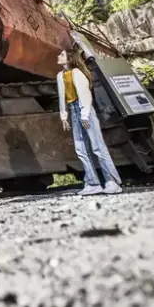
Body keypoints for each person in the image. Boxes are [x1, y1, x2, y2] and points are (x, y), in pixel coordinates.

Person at [57, 48, 123, 196]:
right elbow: (63, 98)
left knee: (98, 147)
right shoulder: (61, 76)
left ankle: (112, 181)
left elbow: (85, 95)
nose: (58, 56)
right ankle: (93, 183)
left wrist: (85, 115)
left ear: (70, 58)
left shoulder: (78, 73)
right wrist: (64, 117)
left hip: (84, 110)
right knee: (81, 149)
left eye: (62, 55)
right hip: (74, 112)